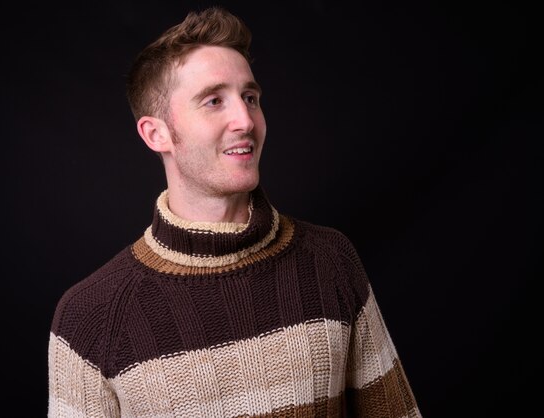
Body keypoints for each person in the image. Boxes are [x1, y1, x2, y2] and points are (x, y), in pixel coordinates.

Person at [48, 6, 422, 417]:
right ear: (156, 134)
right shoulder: (91, 316)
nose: (245, 119)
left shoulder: (331, 261)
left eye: (250, 97)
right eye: (213, 101)